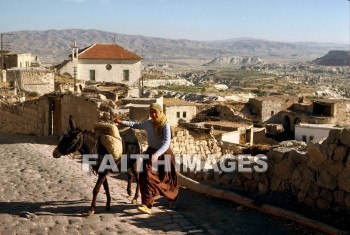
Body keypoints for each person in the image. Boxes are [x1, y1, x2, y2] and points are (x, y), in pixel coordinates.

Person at [114, 103, 179, 214]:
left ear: (160, 112)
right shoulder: (148, 123)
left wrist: (156, 154)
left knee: (166, 179)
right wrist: (121, 122)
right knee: (145, 175)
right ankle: (147, 205)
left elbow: (166, 143)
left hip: (163, 154)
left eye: (155, 112)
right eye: (151, 112)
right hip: (151, 152)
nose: (153, 115)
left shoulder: (165, 125)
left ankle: (172, 198)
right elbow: (135, 125)